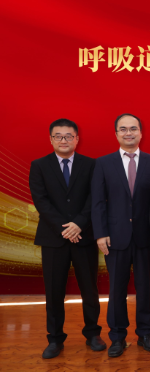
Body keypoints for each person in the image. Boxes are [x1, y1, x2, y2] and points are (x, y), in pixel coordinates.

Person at [29, 119, 106, 359]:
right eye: (58, 136)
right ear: (51, 139)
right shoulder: (39, 165)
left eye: (68, 136)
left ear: (77, 139)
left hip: (84, 236)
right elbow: (40, 200)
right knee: (54, 292)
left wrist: (79, 224)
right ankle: (55, 339)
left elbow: (95, 197)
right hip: (54, 238)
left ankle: (92, 333)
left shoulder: (91, 164)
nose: (63, 140)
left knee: (89, 289)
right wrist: (65, 228)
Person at [91, 114, 150, 357]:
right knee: (117, 290)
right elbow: (98, 201)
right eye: (123, 129)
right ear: (116, 134)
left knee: (145, 289)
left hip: (145, 237)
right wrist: (100, 234)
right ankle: (117, 336)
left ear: (141, 133)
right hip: (115, 237)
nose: (128, 133)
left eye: (133, 129)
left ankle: (145, 333)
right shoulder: (103, 163)